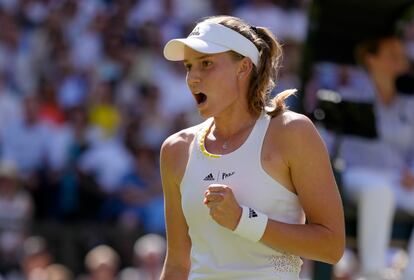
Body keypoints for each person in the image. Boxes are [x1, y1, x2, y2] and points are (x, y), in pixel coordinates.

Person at [159, 15, 345, 279]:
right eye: (189, 66)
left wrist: (244, 221)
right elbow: (178, 264)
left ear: (243, 67)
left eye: (206, 63)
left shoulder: (291, 132)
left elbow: (332, 246)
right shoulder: (175, 149)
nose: (193, 78)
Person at [337, 36, 414, 280]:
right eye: (393, 55)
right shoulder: (346, 95)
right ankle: (373, 274)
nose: (402, 62)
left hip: (400, 179)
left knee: (385, 189)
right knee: (379, 190)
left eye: (402, 57)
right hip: (355, 174)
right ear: (371, 59)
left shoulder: (411, 102)